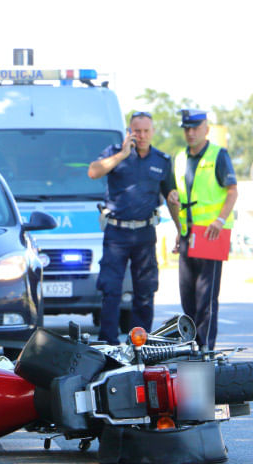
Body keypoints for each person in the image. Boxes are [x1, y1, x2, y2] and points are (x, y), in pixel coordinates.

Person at [88, 112, 181, 345]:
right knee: (111, 291)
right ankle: (108, 343)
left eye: (145, 131)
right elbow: (93, 172)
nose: (141, 136)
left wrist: (180, 229)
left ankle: (139, 344)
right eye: (136, 131)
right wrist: (122, 155)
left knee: (145, 292)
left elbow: (171, 197)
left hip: (144, 233)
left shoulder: (161, 160)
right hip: (116, 233)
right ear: (130, 132)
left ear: (153, 132)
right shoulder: (114, 153)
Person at [169, 109, 238, 351]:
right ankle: (190, 345)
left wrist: (219, 220)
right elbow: (176, 197)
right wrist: (178, 229)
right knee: (187, 295)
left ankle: (205, 346)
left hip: (211, 234)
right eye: (186, 128)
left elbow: (232, 191)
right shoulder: (179, 158)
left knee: (205, 297)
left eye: (195, 128)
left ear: (206, 130)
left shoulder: (218, 155)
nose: (190, 133)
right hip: (188, 234)